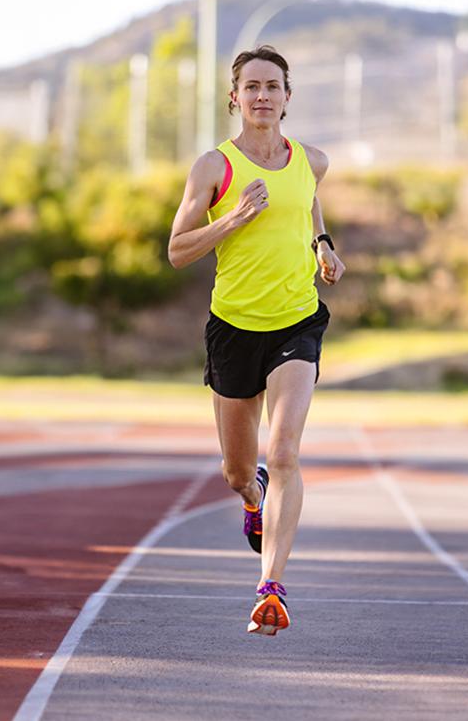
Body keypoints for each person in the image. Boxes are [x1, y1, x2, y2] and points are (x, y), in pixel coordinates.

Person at [166, 45, 344, 636]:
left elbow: (307, 201)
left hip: (297, 321)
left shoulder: (311, 161)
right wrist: (232, 220)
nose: (263, 95)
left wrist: (322, 243)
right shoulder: (212, 168)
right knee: (238, 471)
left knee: (285, 450)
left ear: (288, 97)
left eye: (274, 85)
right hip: (234, 328)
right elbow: (177, 250)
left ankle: (271, 586)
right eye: (252, 86)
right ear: (235, 98)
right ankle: (251, 498)